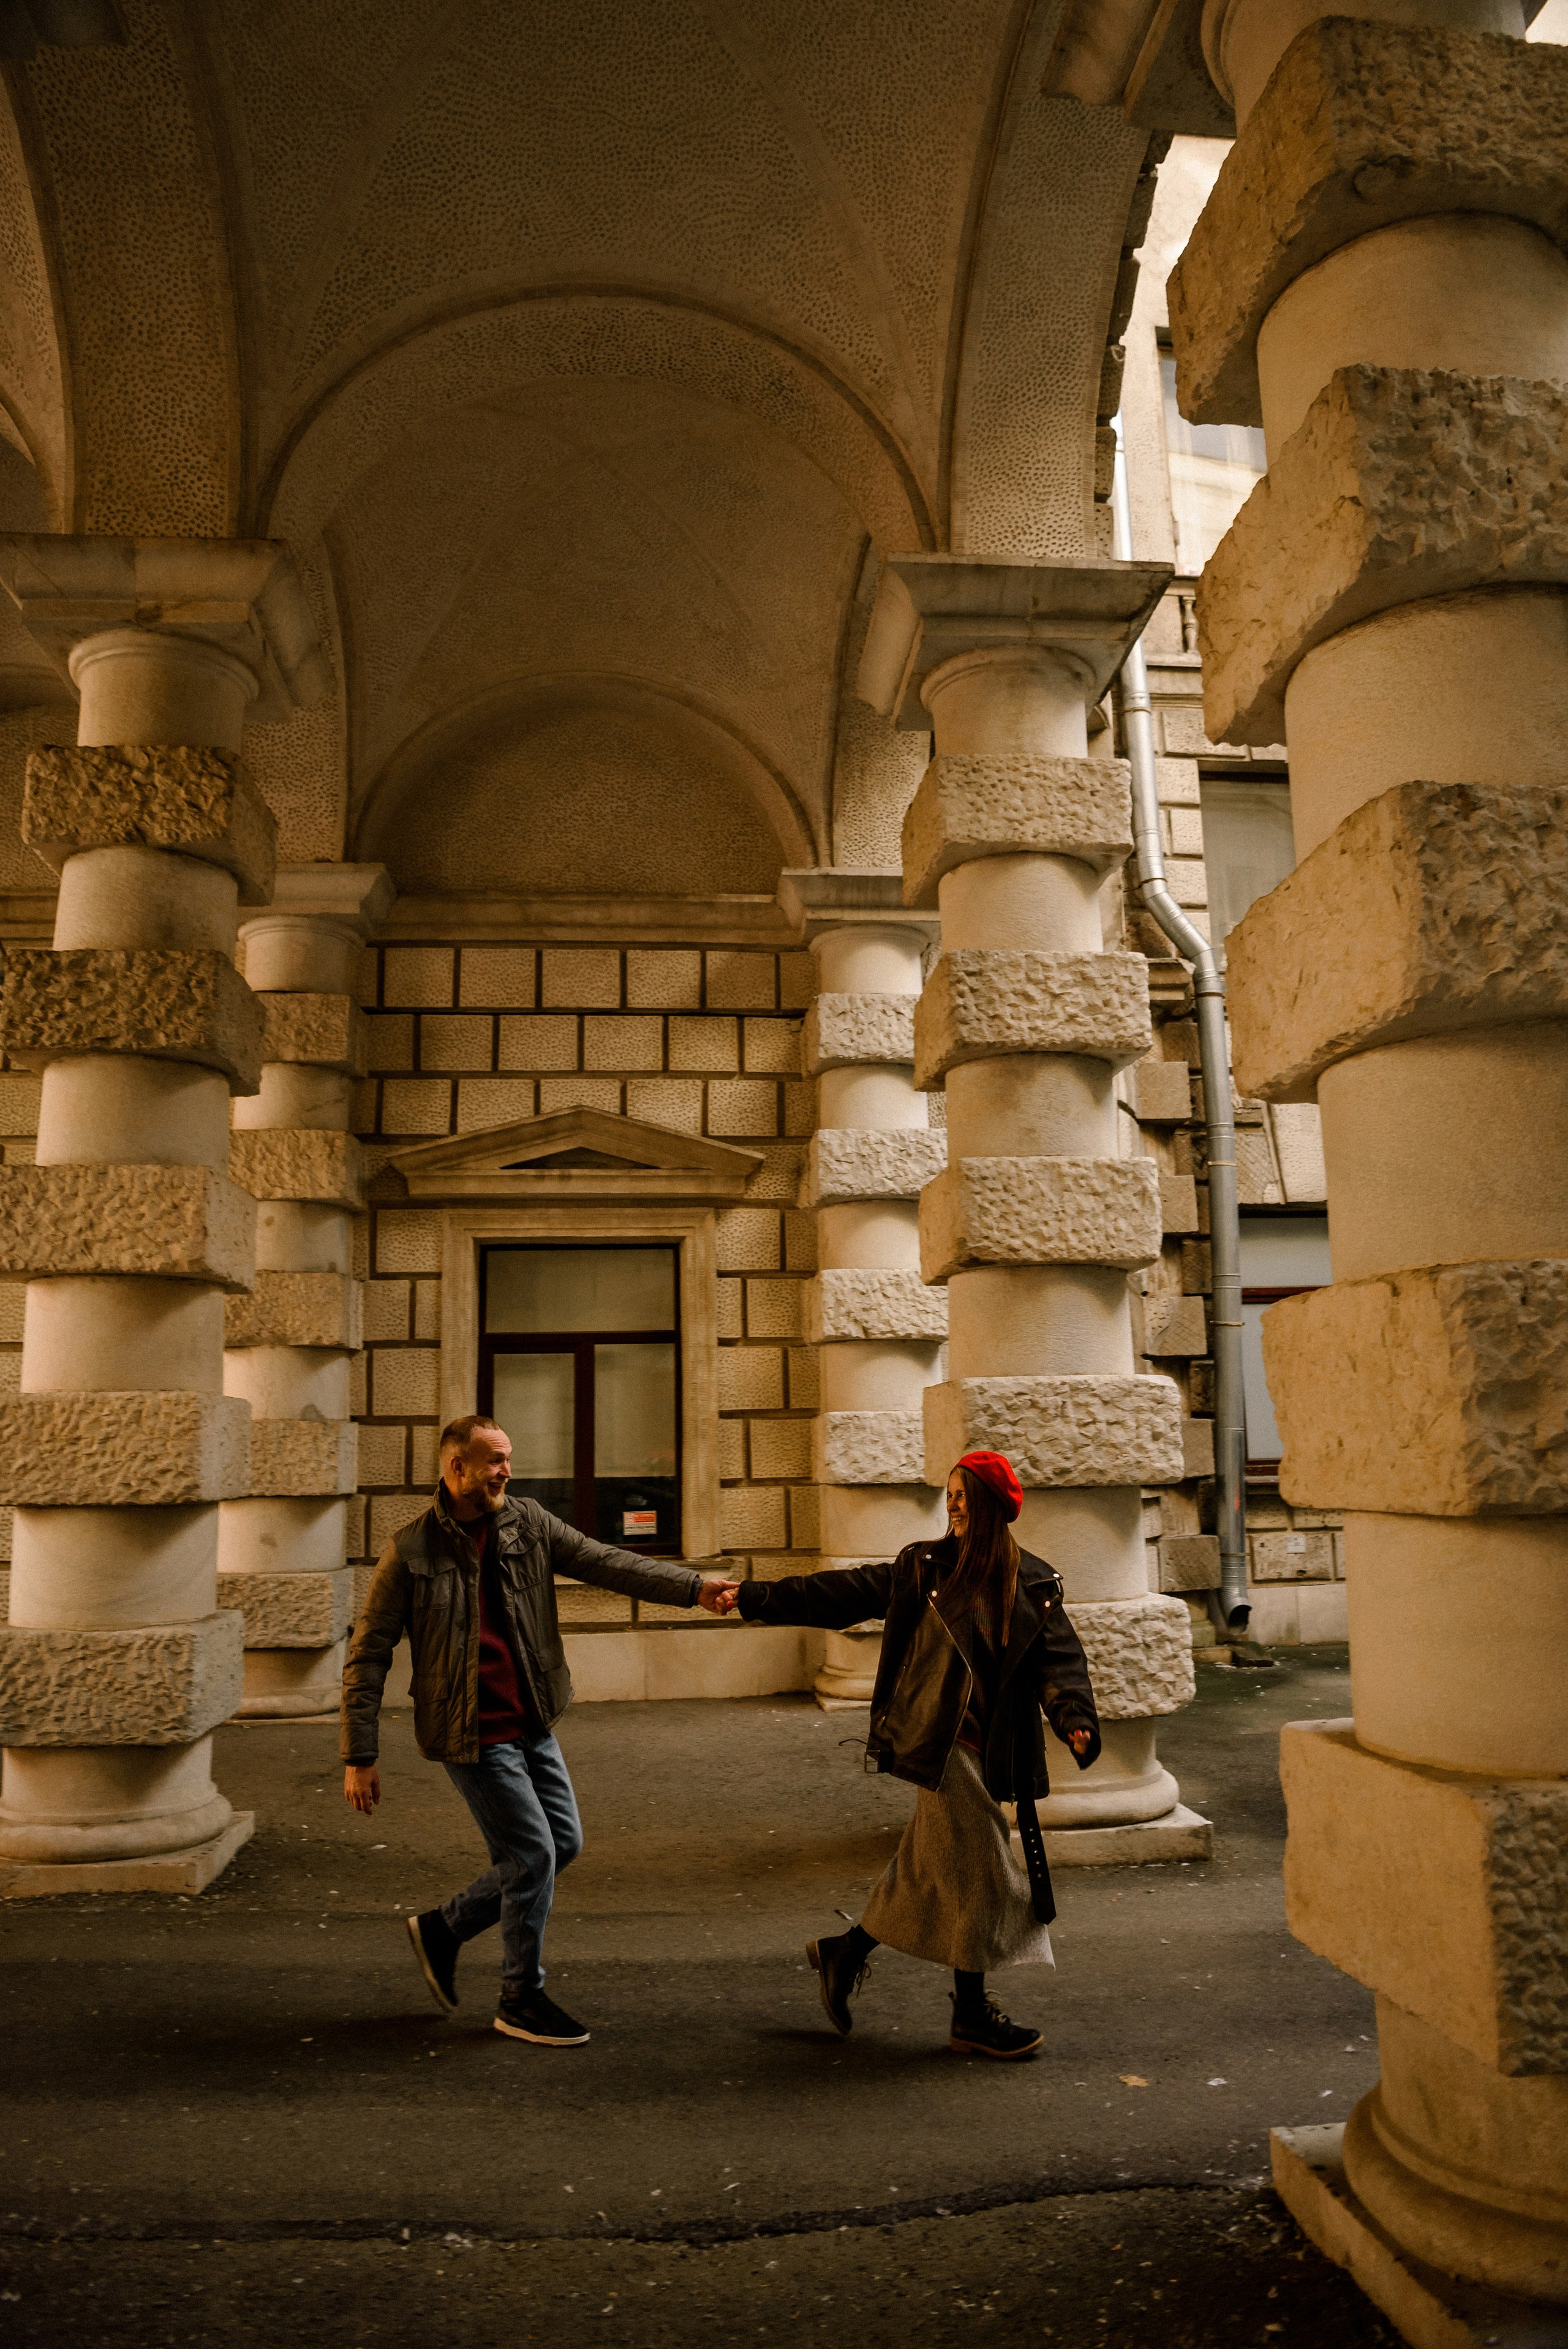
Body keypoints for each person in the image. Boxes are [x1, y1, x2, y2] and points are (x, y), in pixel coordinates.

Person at [340, 1414, 739, 2046]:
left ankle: (444, 1929)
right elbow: (367, 1654)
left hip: (531, 1718)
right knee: (532, 1857)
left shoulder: (527, 1522)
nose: (507, 1471)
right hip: (469, 1731)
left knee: (563, 1844)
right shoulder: (411, 1550)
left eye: (508, 1458)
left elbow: (606, 1562)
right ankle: (519, 1996)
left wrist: (694, 1589)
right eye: (495, 1460)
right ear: (457, 1468)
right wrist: (359, 1755)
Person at [733, 1450, 1101, 2060]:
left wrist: (1075, 1719)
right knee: (982, 1869)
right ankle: (971, 2016)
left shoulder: (1034, 1583)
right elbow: (842, 1593)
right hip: (939, 1741)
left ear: (991, 1506)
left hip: (993, 1748)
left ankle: (845, 1952)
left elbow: (1059, 1663)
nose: (952, 1505)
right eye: (949, 1494)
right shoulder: (924, 1567)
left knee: (927, 1872)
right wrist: (755, 1597)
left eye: (963, 1495)